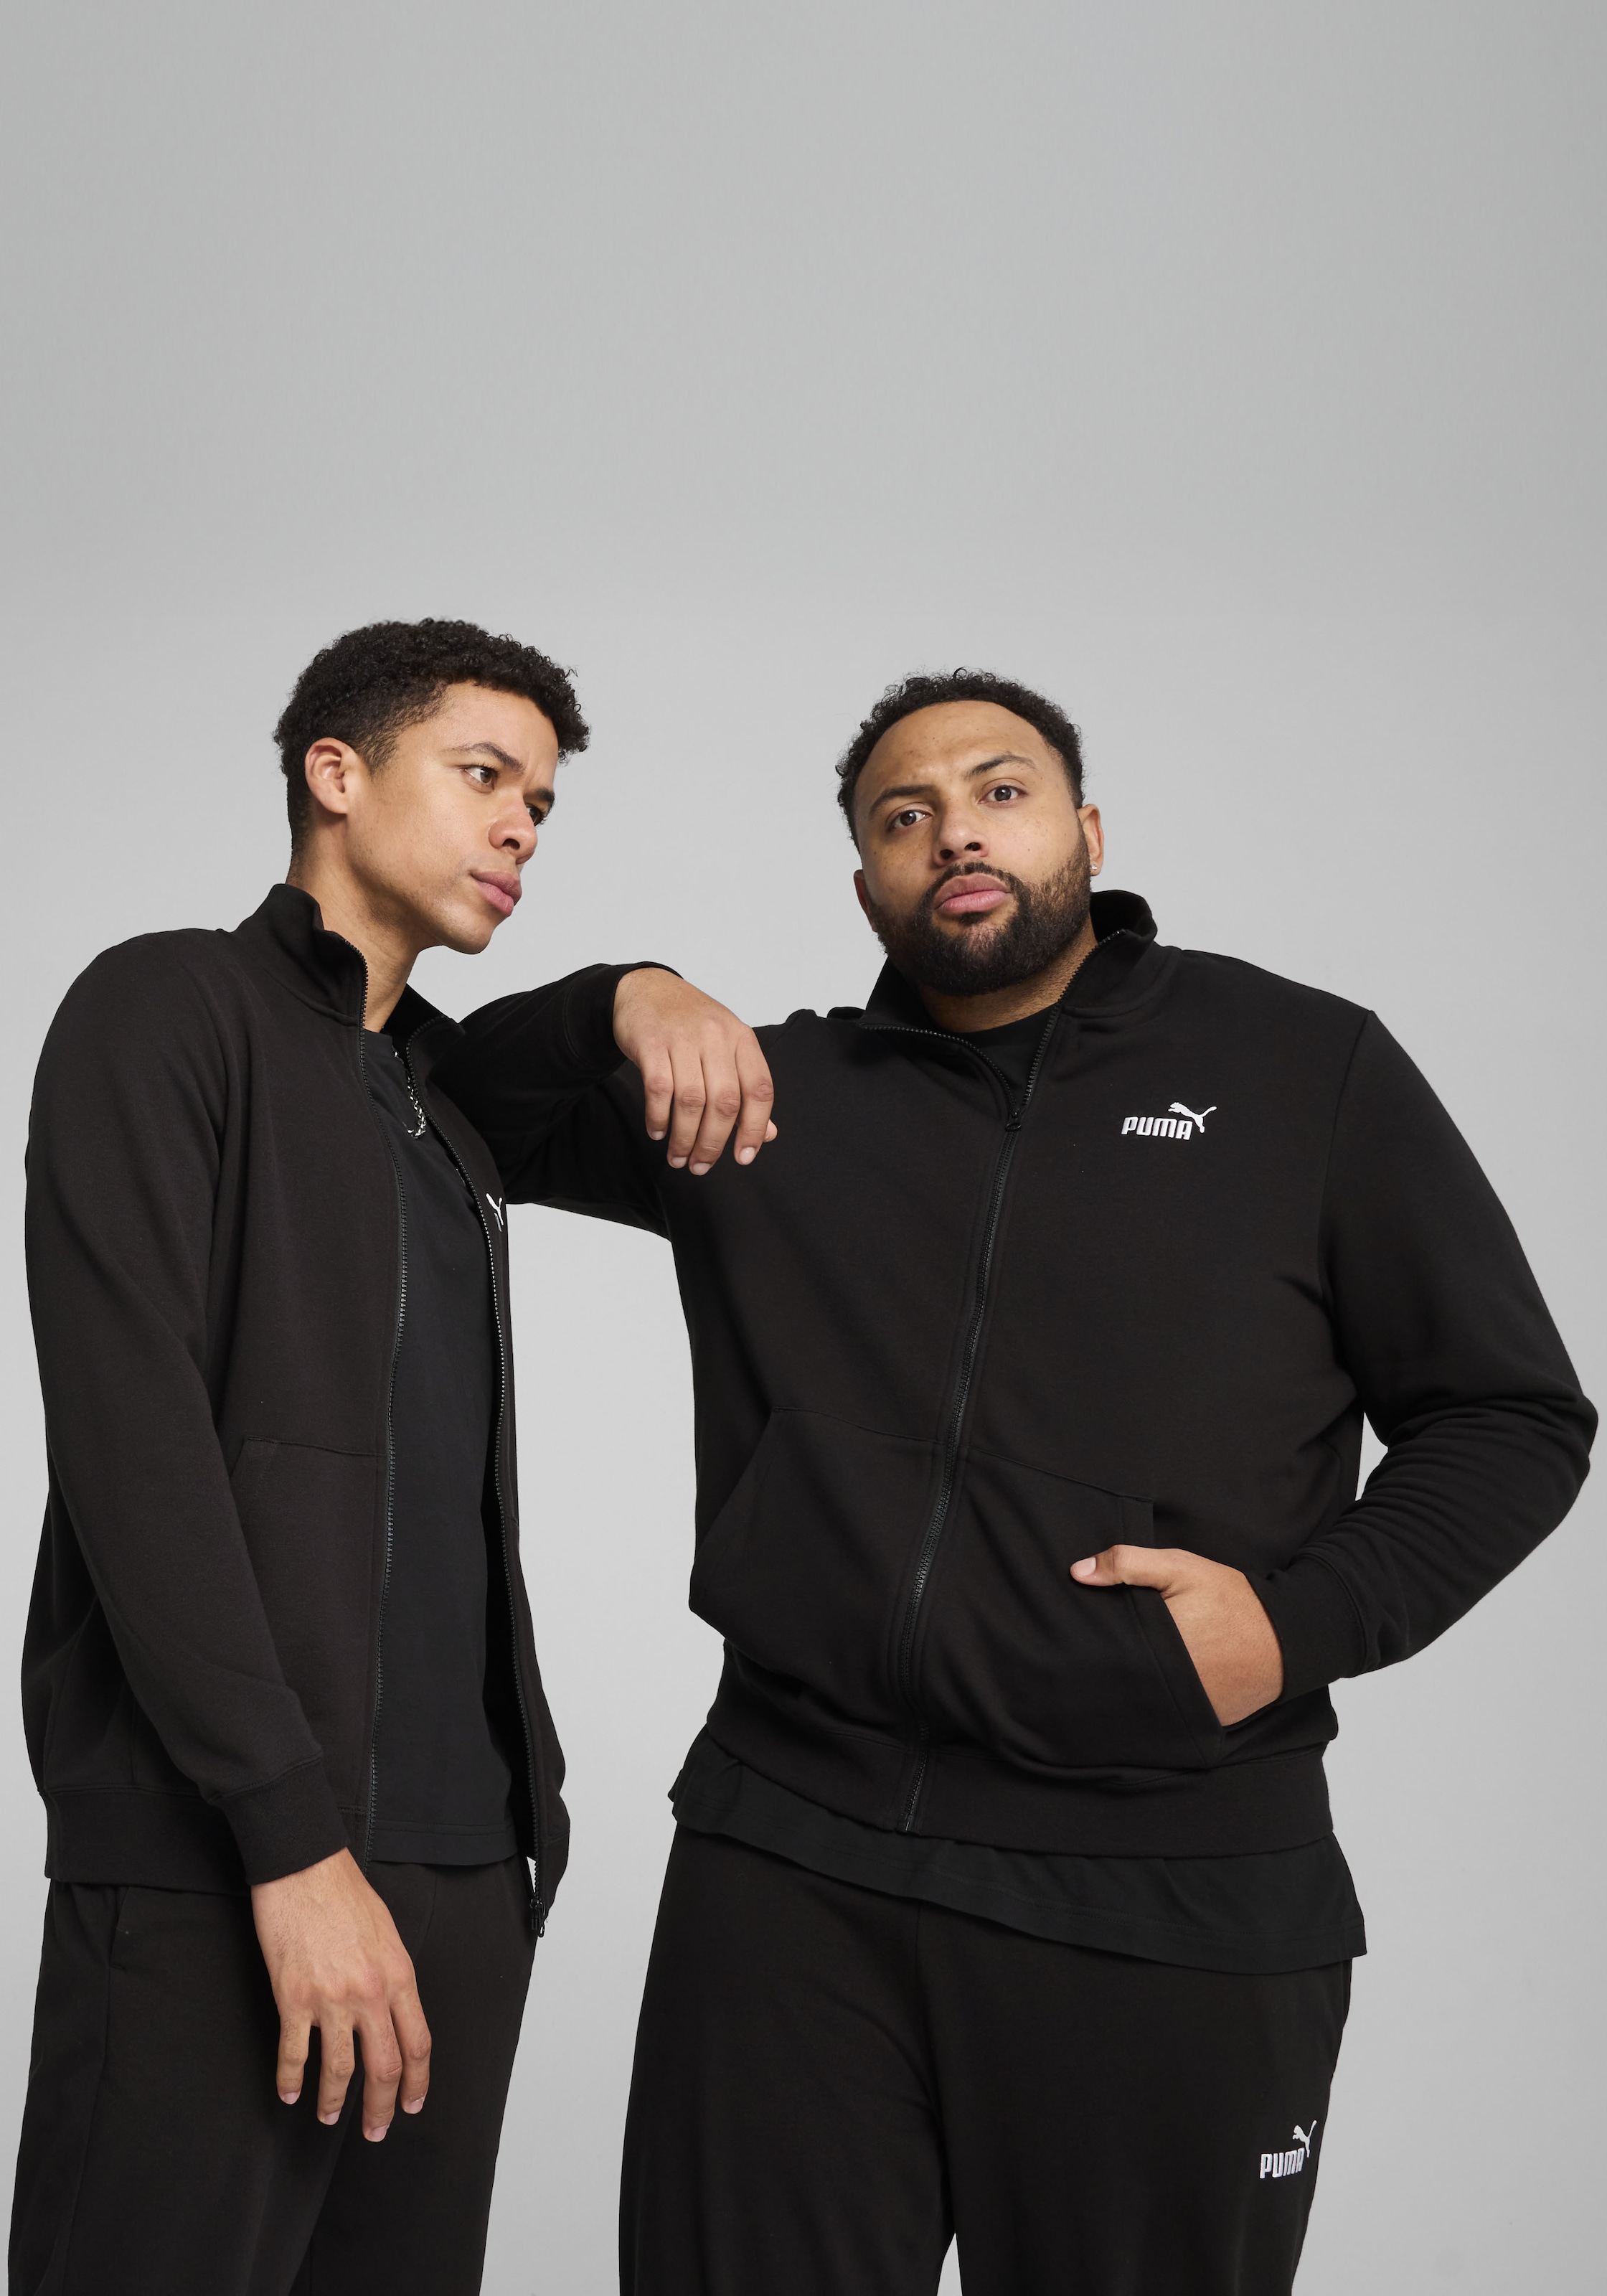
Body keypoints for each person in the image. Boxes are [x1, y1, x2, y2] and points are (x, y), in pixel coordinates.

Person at [441, 669, 1596, 2296]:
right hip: (791, 1867)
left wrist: (1297, 1626)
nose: (955, 835)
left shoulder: (1302, 1070)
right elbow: (437, 1107)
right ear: (865, 884)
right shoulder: (769, 1105)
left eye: (1000, 792)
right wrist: (621, 996)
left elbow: (1510, 1413)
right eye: (902, 817)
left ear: (1089, 834)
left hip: (1166, 1889)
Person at [11, 618, 774, 2296]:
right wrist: (289, 1844)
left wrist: (637, 985)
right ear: (335, 774)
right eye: (484, 774)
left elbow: (618, 1087)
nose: (520, 826)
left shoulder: (441, 1102)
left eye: (542, 804)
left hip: (458, 1874)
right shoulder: (168, 1007)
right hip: (228, 1860)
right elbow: (136, 1446)